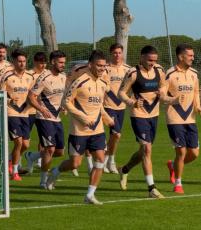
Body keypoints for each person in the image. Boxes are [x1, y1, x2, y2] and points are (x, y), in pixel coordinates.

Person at [46, 50, 114, 205]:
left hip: (97, 130)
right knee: (75, 163)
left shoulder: (103, 83)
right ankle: (55, 172)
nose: (102, 69)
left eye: (104, 66)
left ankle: (90, 194)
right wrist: (83, 118)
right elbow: (66, 102)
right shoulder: (80, 81)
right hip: (78, 130)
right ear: (90, 65)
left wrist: (107, 118)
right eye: (99, 65)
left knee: (100, 160)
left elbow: (99, 106)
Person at [117, 45, 165, 198]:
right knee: (147, 150)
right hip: (138, 115)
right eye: (150, 60)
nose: (152, 63)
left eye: (155, 60)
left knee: (143, 151)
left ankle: (124, 170)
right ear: (141, 57)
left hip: (154, 114)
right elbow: (121, 93)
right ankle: (152, 188)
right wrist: (132, 102)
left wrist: (162, 92)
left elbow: (164, 86)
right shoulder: (132, 73)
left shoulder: (159, 70)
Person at [161, 44, 201, 194]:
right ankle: (178, 184)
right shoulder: (169, 74)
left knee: (194, 154)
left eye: (193, 55)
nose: (193, 58)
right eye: (190, 55)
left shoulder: (194, 73)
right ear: (181, 57)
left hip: (191, 119)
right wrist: (173, 101)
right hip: (174, 118)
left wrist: (198, 106)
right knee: (181, 152)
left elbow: (196, 92)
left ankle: (173, 166)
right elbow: (161, 95)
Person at [28, 50, 66, 188]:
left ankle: (33, 156)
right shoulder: (44, 77)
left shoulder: (63, 77)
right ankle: (43, 181)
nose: (63, 65)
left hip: (57, 118)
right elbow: (31, 97)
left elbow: (62, 96)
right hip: (43, 118)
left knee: (59, 152)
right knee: (50, 149)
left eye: (64, 62)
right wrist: (42, 109)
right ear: (52, 62)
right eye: (60, 62)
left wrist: (63, 106)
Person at [0, 49, 34, 181]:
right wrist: (9, 100)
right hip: (11, 112)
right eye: (19, 61)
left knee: (25, 145)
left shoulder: (30, 77)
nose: (22, 63)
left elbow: (32, 94)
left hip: (25, 113)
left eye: (24, 61)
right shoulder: (7, 76)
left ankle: (9, 159)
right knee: (18, 142)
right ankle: (14, 172)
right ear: (14, 62)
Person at [103, 43, 131, 174]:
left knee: (114, 136)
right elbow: (105, 88)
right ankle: (110, 161)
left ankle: (107, 160)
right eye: (115, 53)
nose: (117, 55)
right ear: (110, 54)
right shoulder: (105, 69)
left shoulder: (128, 69)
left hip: (122, 106)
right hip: (108, 106)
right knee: (116, 134)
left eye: (119, 53)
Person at [24, 52, 48, 173]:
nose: (43, 65)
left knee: (43, 139)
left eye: (44, 63)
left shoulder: (47, 74)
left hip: (42, 112)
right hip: (28, 111)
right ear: (35, 62)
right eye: (40, 63)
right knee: (24, 142)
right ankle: (16, 162)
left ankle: (38, 160)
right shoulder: (29, 74)